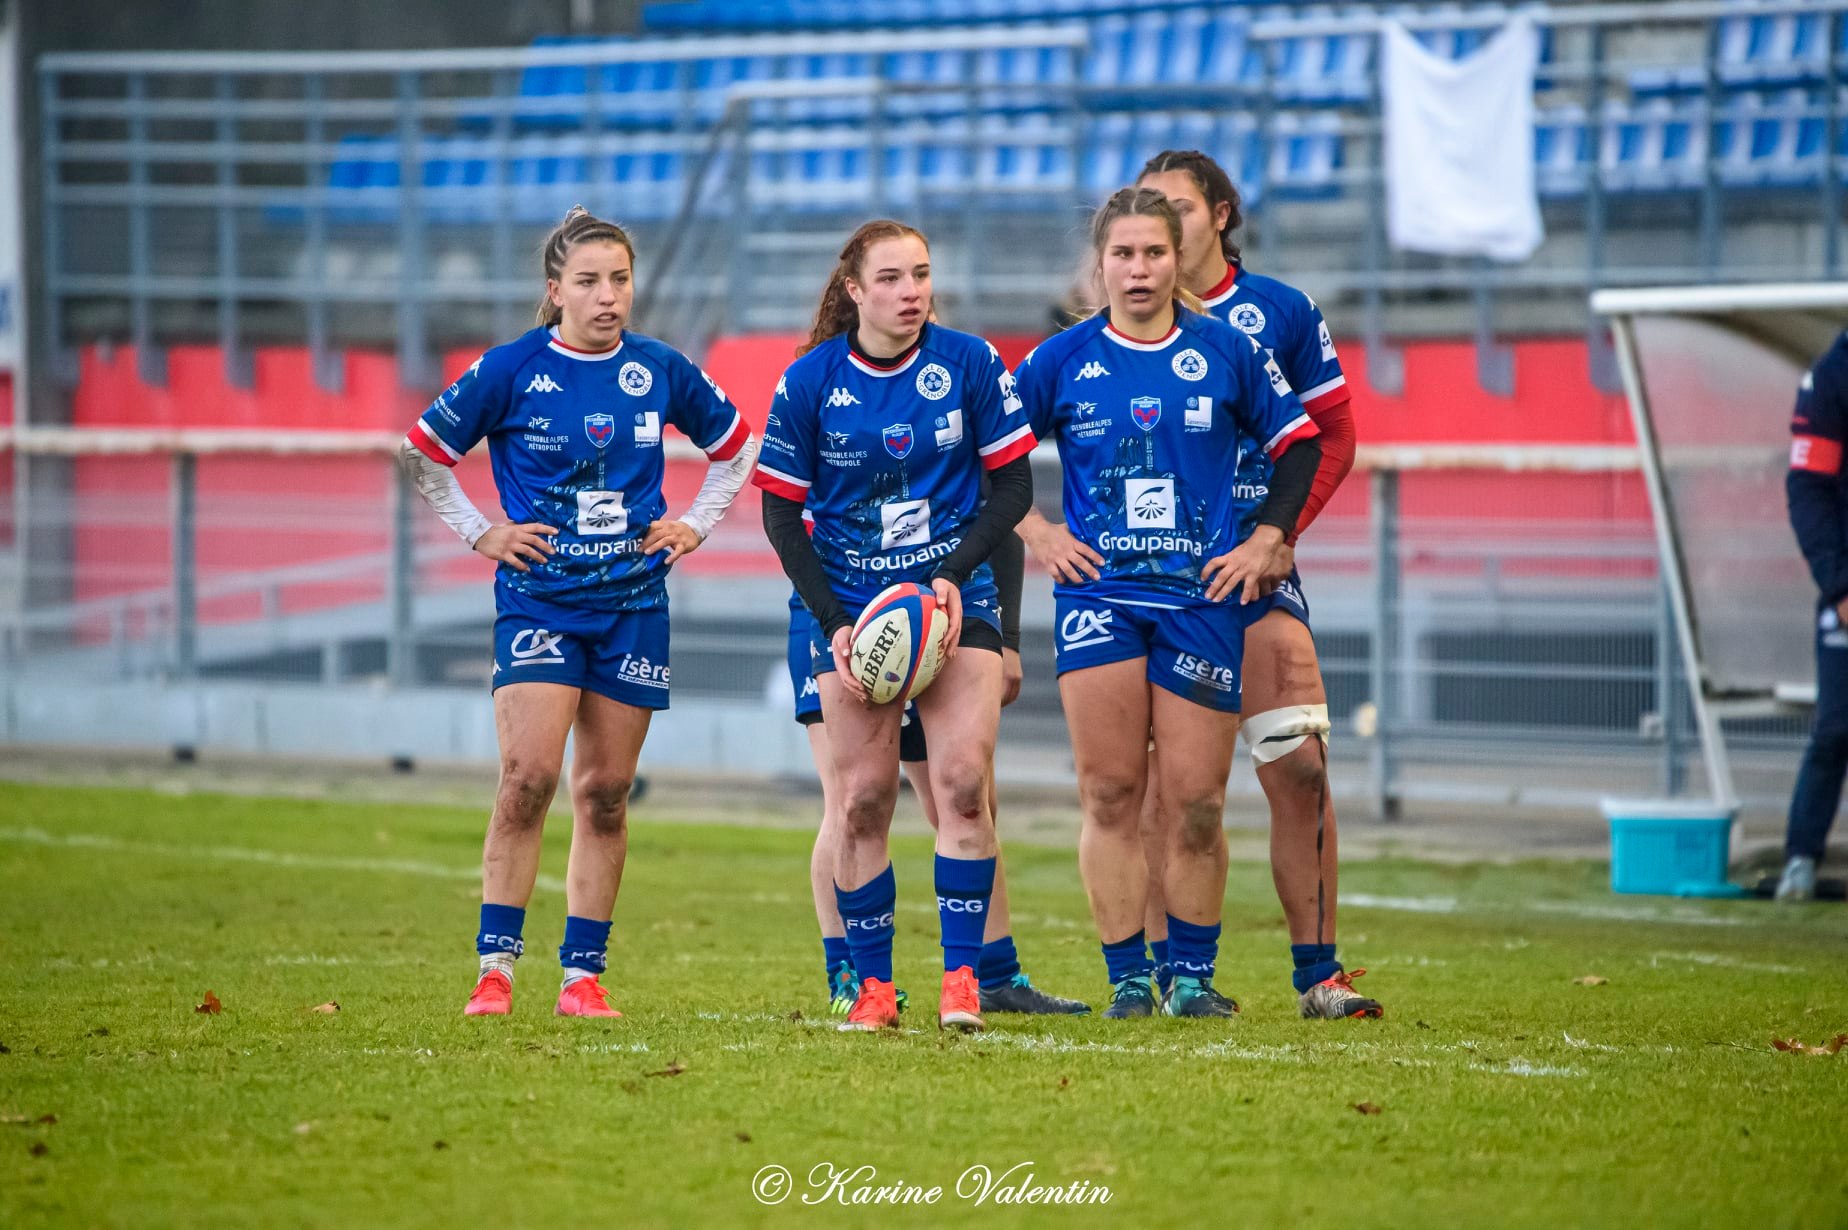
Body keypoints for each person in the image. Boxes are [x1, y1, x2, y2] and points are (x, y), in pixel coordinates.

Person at [399, 206, 758, 1017]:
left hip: (633, 603)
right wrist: (482, 532)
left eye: (620, 280)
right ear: (554, 289)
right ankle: (495, 971)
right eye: (589, 282)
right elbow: (422, 452)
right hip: (540, 603)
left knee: (604, 793)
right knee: (528, 779)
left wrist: (693, 525)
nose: (608, 297)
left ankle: (582, 979)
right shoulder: (510, 367)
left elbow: (737, 449)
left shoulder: (661, 369)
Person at [1012, 187, 1323, 1019]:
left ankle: (1190, 977)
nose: (1140, 269)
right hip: (1100, 599)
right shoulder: (1062, 359)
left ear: (1175, 257)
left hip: (1201, 601)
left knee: (1196, 802)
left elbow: (1300, 446)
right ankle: (1127, 982)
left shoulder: (1228, 351)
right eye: (1123, 254)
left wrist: (1268, 537)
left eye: (1154, 252)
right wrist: (1037, 532)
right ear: (1101, 264)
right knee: (1111, 794)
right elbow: (987, 455)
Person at [1114, 149, 1381, 1017]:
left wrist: (1278, 537)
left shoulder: (1279, 312)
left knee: (1300, 763)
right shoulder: (1109, 324)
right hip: (1149, 582)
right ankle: (1169, 975)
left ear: (1220, 215)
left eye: (1179, 209)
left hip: (1254, 575)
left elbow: (1331, 437)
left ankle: (1320, 976)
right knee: (1168, 790)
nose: (1161, 226)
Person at [756, 219, 1036, 1032]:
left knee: (960, 787)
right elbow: (781, 515)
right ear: (854, 291)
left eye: (920, 274)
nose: (911, 291)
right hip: (848, 608)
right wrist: (836, 621)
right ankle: (874, 990)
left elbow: (1012, 493)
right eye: (890, 278)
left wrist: (949, 579)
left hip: (952, 602)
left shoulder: (971, 364)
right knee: (862, 803)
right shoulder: (809, 382)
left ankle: (960, 983)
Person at [790, 529, 1088, 1017]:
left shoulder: (955, 460)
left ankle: (993, 974)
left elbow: (1000, 505)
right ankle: (848, 974)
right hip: (838, 604)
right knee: (851, 800)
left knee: (966, 800)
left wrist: (1006, 638)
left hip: (940, 608)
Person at [1780, 328, 1848, 900]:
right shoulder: (1832, 377)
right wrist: (1841, 588)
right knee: (1836, 727)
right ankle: (1800, 861)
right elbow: (1808, 489)